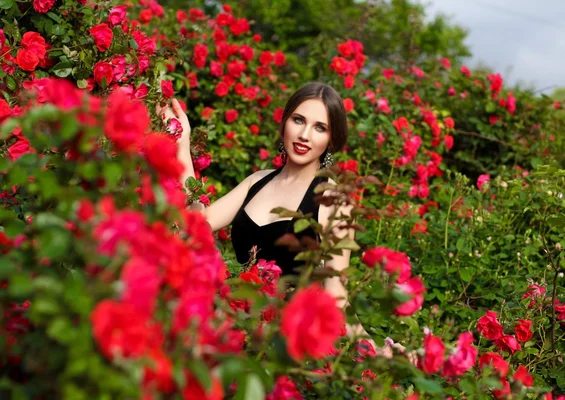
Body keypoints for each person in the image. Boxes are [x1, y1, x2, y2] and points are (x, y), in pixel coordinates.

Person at [156, 81, 404, 358]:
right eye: (299, 120)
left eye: (319, 127)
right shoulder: (257, 182)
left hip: (288, 349)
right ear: (285, 122)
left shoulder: (333, 198)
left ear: (331, 140)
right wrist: (182, 143)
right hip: (238, 332)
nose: (305, 135)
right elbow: (196, 221)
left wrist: (376, 353)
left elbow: (336, 297)